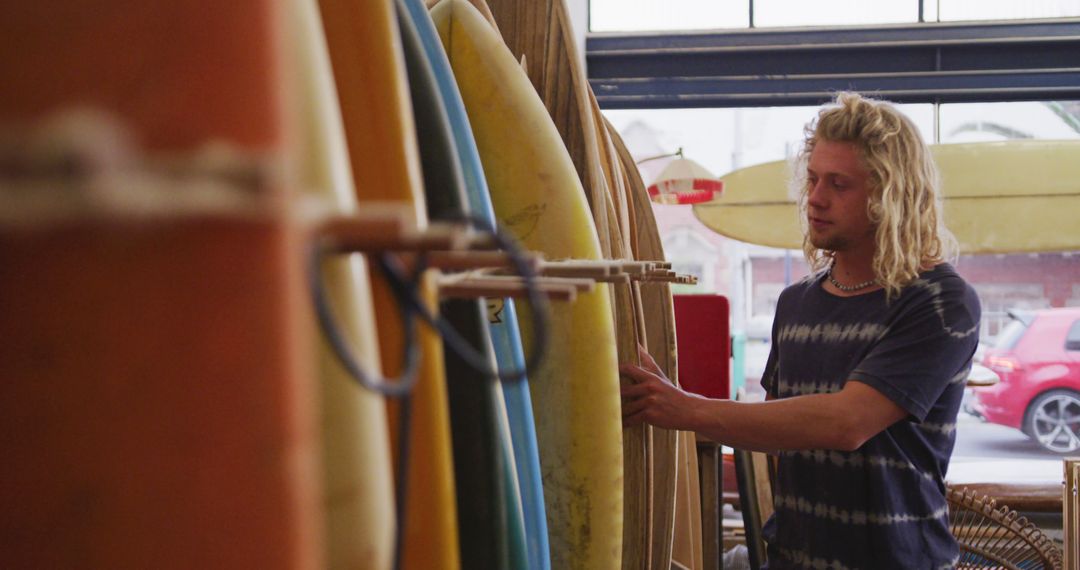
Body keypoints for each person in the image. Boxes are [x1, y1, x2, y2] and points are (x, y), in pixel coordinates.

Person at [621, 92, 981, 569]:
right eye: (812, 178)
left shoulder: (939, 300)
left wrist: (687, 408)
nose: (815, 197)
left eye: (839, 184)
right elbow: (779, 430)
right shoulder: (798, 302)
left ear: (890, 195)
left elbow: (846, 422)